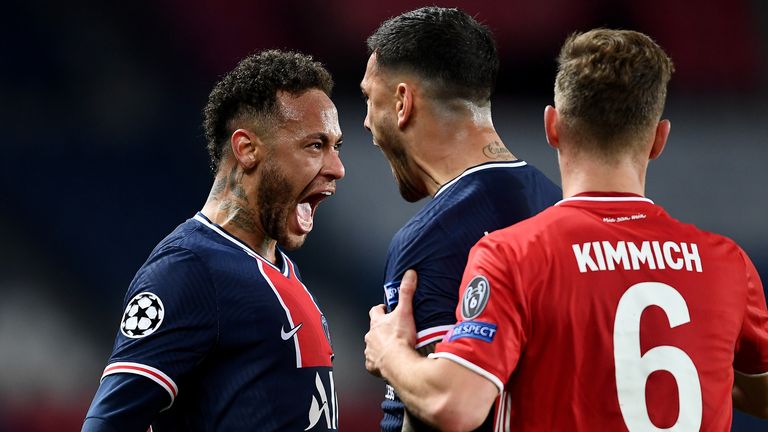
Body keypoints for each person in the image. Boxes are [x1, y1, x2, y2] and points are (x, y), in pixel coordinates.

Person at [364, 28, 768, 431]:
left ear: (552, 126)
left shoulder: (514, 254)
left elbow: (456, 405)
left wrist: (390, 353)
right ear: (658, 140)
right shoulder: (726, 263)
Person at [82, 49, 344, 431]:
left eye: (337, 146)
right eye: (315, 145)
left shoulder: (280, 267)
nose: (337, 167)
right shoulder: (189, 269)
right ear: (247, 149)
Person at [359, 6, 561, 431]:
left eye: (367, 99)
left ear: (401, 102)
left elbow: (431, 413)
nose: (365, 123)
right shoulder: (558, 206)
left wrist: (389, 353)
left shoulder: (433, 236)